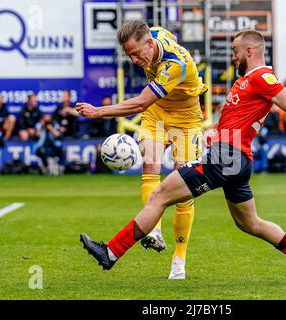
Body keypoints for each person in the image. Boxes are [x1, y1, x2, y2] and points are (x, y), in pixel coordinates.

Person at [78, 30, 286, 283]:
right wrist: (215, 130)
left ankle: (110, 252)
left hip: (225, 159)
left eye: (235, 51)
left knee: (159, 195)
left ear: (250, 52)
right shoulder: (246, 81)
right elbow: (238, 120)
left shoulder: (262, 77)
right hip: (236, 161)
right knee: (250, 223)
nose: (232, 57)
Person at [76, 21, 207, 279]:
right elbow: (148, 105)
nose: (135, 60)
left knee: (183, 189)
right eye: (129, 55)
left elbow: (140, 103)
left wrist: (98, 111)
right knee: (150, 168)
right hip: (157, 114)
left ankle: (179, 260)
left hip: (186, 119)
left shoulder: (174, 65)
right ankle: (154, 231)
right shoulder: (154, 34)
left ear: (149, 43)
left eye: (136, 53)